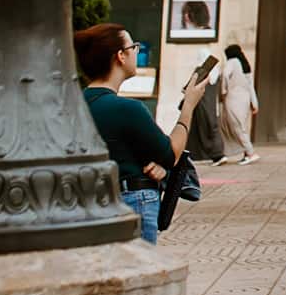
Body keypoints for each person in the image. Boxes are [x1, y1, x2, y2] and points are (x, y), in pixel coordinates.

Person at [76, 23, 209, 243]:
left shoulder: (73, 105)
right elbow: (171, 154)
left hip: (89, 202)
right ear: (120, 55)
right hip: (132, 202)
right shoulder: (128, 109)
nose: (137, 52)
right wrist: (188, 107)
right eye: (134, 47)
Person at [219, 44, 259, 165]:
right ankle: (247, 154)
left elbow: (225, 74)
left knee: (237, 127)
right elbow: (250, 86)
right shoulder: (244, 65)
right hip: (245, 100)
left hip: (233, 99)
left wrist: (223, 90)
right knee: (242, 127)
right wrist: (255, 103)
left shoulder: (232, 61)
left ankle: (251, 153)